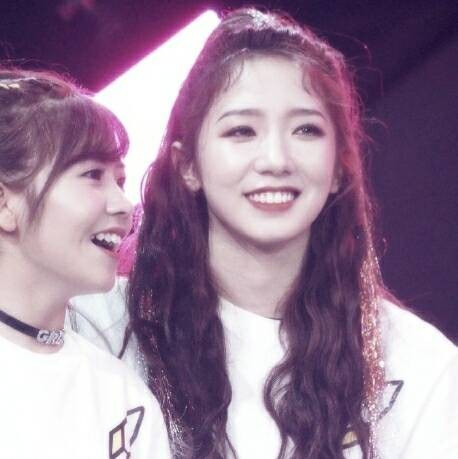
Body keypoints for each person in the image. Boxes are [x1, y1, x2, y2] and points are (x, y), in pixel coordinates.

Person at [72, 7, 458, 459]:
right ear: (187, 165)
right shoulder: (99, 325)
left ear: (339, 167)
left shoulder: (417, 366)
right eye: (242, 131)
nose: (276, 159)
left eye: (306, 130)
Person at [0, 68, 170, 458]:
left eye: (120, 181)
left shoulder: (125, 400)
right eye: (93, 175)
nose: (125, 205)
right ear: (4, 202)